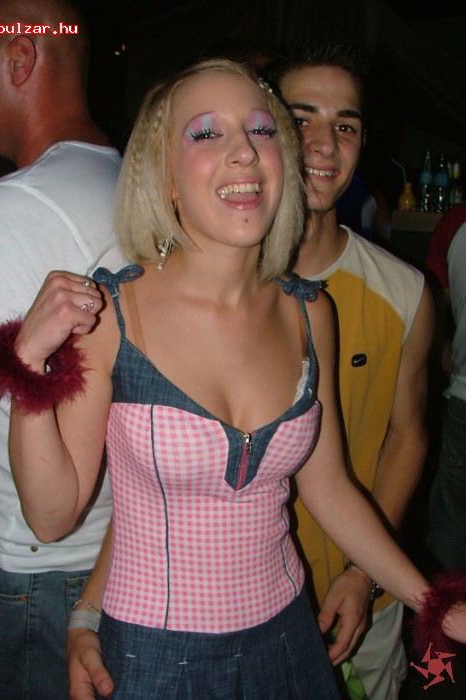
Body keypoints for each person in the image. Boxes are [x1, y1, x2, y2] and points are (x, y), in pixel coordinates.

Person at [0, 59, 466, 700]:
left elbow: (329, 489)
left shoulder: (309, 313)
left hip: (288, 639)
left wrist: (435, 603)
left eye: (261, 130)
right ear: (165, 176)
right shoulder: (111, 315)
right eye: (207, 133)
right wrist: (27, 364)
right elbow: (51, 516)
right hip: (153, 657)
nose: (244, 151)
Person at [0, 1, 125, 698]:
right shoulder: (126, 178)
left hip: (39, 572)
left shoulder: (13, 208)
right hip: (111, 549)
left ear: (20, 57)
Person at [266, 44, 434, 699]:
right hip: (237, 602)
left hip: (360, 599)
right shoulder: (220, 285)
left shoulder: (402, 291)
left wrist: (365, 575)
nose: (323, 143)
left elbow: (407, 435)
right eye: (300, 118)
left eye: (345, 125)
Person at [426, 221, 466, 570]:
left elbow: (438, 301)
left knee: (452, 525)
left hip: (463, 394)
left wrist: (442, 348)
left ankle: (446, 598)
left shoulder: (457, 223)